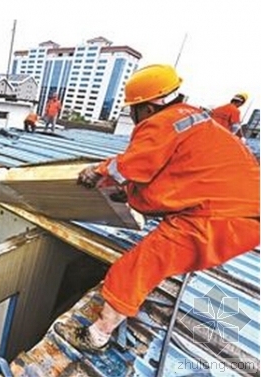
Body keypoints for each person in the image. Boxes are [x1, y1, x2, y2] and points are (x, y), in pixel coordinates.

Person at [56, 64, 260, 353]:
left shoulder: (161, 123)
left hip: (218, 219)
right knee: (156, 250)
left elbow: (132, 165)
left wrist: (98, 171)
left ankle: (97, 336)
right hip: (242, 214)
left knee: (133, 268)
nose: (132, 116)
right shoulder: (193, 118)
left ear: (148, 108)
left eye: (133, 110)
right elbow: (160, 185)